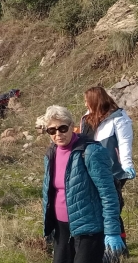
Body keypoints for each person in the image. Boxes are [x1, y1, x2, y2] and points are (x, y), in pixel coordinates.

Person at [41, 105, 125, 263]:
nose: (58, 134)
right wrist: (49, 224)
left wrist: (112, 231)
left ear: (72, 127)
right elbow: (50, 192)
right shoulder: (51, 153)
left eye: (63, 128)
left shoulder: (90, 151)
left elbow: (108, 193)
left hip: (89, 230)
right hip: (61, 228)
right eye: (52, 130)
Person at [80, 87, 135, 254]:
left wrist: (127, 164)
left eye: (86, 100)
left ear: (95, 101)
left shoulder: (118, 118)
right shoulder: (86, 118)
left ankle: (119, 246)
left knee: (112, 204)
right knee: (100, 204)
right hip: (92, 168)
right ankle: (105, 243)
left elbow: (125, 142)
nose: (84, 103)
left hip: (113, 170)